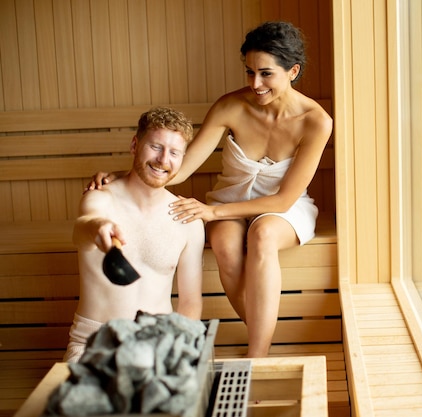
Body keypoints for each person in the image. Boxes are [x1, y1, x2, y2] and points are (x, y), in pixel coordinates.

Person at [88, 21, 333, 357]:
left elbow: (284, 198)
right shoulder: (230, 106)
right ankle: (263, 334)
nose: (255, 84)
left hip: (284, 209)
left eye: (266, 74)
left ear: (293, 71)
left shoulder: (316, 121)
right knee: (225, 244)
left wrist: (212, 212)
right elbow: (180, 169)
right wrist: (123, 175)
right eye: (249, 73)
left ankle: (257, 355)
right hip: (230, 200)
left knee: (261, 236)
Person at [64, 107, 205, 363]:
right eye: (155, 147)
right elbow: (82, 228)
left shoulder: (187, 221)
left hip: (158, 346)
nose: (163, 160)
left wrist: (179, 354)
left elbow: (190, 304)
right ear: (135, 145)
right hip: (95, 345)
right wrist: (99, 228)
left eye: (174, 152)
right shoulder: (101, 200)